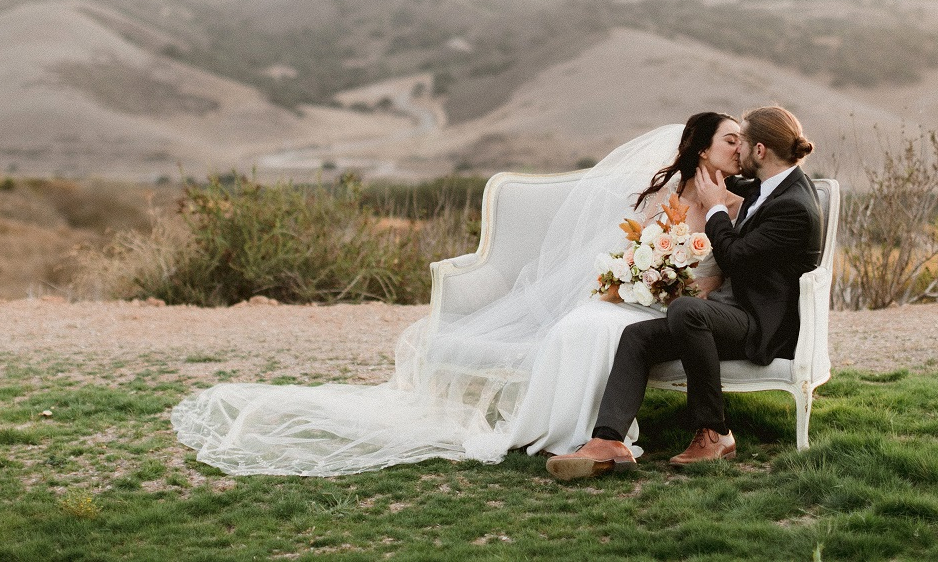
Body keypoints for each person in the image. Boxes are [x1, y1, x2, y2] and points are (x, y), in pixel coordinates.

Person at [170, 116, 745, 477]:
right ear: (701, 148)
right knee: (581, 323)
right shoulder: (663, 197)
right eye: (730, 139)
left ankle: (599, 440)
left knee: (601, 331)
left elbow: (723, 276)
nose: (740, 147)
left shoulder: (738, 204)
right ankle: (564, 435)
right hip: (637, 297)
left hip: (676, 307)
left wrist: (675, 288)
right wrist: (637, 276)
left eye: (743, 140)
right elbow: (626, 251)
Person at [545, 106, 821, 480]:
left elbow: (735, 258)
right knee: (637, 337)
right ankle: (608, 441)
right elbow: (713, 187)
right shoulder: (769, 185)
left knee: (686, 310)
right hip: (732, 313)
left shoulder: (793, 206)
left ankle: (715, 433)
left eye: (741, 142)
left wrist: (716, 207)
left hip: (762, 326)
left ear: (760, 151)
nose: (737, 150)